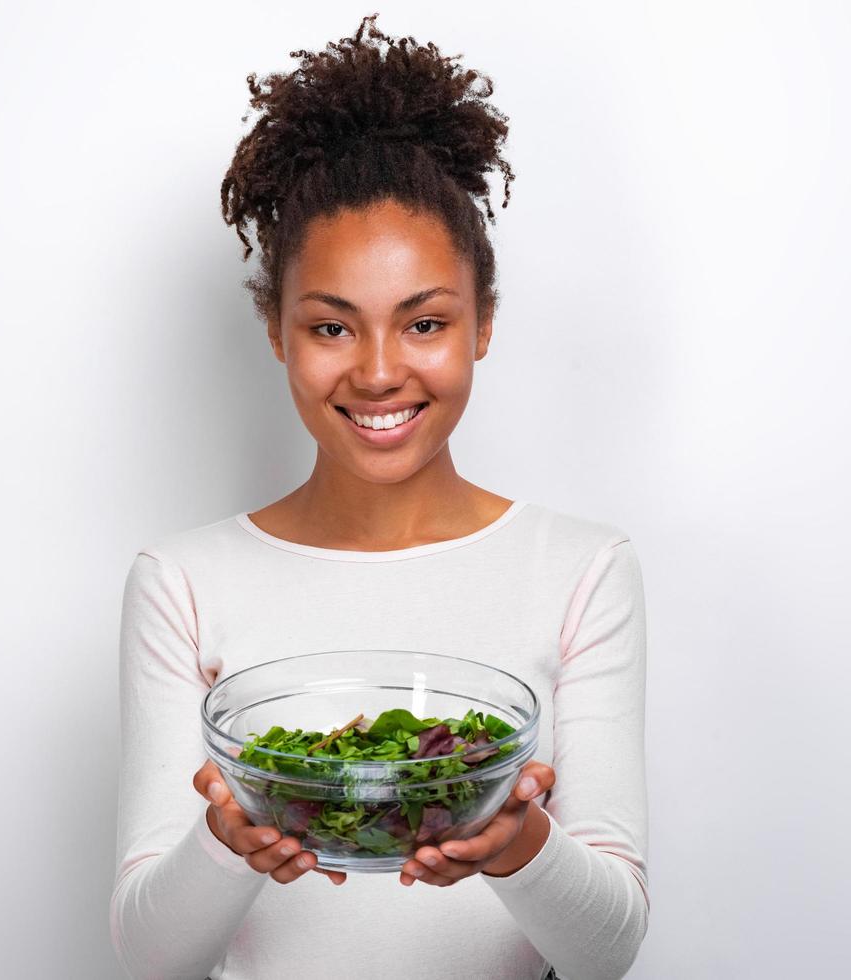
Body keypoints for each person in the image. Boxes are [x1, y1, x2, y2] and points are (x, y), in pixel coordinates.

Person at [110, 14, 649, 980]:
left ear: (482, 322)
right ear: (275, 331)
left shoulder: (579, 570)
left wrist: (518, 848)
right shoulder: (181, 580)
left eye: (425, 322)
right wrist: (225, 842)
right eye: (330, 328)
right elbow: (152, 957)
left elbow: (607, 949)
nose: (378, 372)